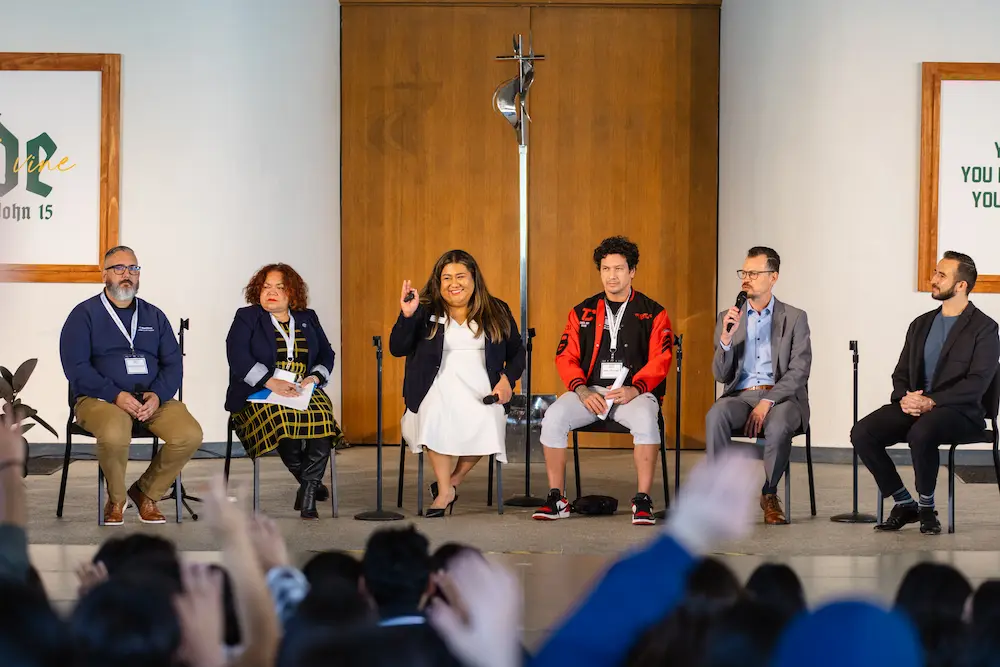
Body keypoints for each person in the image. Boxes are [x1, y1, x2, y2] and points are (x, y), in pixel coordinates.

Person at [852, 251, 999, 535]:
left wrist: (933, 401)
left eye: (941, 275)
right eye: (934, 272)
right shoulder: (920, 324)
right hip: (917, 406)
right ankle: (905, 503)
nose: (933, 279)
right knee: (862, 432)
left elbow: (977, 383)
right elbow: (901, 374)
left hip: (960, 413)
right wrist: (905, 397)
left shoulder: (985, 328)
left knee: (923, 432)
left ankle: (927, 507)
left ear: (961, 286)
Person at [59, 246, 203, 525]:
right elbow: (75, 368)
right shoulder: (84, 314)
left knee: (189, 434)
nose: (127, 275)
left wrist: (158, 396)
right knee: (114, 432)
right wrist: (114, 395)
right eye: (119, 268)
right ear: (105, 275)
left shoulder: (154, 315)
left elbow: (173, 364)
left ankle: (146, 493)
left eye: (133, 269)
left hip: (150, 399)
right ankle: (116, 500)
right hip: (98, 399)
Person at [535, 236, 673, 525]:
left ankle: (643, 500)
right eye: (606, 269)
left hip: (632, 392)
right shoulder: (581, 311)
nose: (611, 276)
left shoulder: (653, 312)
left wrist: (636, 388)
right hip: (591, 390)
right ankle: (557, 497)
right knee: (553, 417)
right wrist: (582, 390)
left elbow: (662, 358)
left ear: (632, 271)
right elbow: (564, 356)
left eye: (619, 269)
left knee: (648, 420)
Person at [391, 250, 525, 518]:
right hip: (435, 383)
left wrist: (508, 381)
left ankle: (453, 482)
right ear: (438, 282)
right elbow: (397, 348)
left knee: (489, 418)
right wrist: (407, 316)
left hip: (483, 385)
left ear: (474, 278)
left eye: (461, 276)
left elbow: (517, 353)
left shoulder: (497, 309)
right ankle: (443, 491)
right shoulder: (424, 309)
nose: (454, 283)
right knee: (434, 414)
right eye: (447, 278)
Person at [226, 263, 344, 519]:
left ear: (292, 293)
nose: (272, 292)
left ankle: (308, 489)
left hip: (302, 388)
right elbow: (237, 357)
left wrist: (315, 376)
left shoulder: (307, 317)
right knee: (282, 421)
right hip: (259, 392)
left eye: (280, 287)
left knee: (322, 419)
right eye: (266, 286)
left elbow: (327, 353)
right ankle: (311, 485)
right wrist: (270, 382)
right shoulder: (247, 317)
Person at [705, 246, 811, 525]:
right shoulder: (728, 318)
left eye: (754, 273)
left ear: (773, 277)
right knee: (716, 414)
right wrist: (726, 339)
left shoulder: (794, 317)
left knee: (779, 422)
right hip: (740, 396)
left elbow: (799, 371)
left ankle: (770, 493)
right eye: (744, 272)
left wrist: (768, 402)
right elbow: (720, 374)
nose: (746, 278)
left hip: (781, 399)